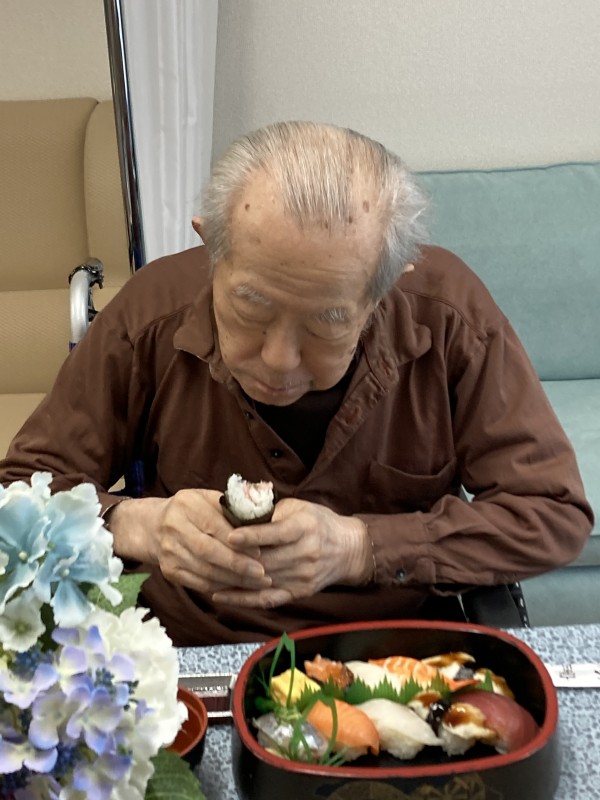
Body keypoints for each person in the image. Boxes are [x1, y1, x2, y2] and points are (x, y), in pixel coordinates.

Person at [0, 121, 592, 646]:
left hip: (395, 655)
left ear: (388, 287)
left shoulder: (448, 317)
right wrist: (138, 526)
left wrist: (361, 548)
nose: (278, 361)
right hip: (184, 651)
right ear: (211, 245)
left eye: (328, 321)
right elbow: (18, 492)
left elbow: (550, 513)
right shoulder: (151, 313)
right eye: (251, 306)